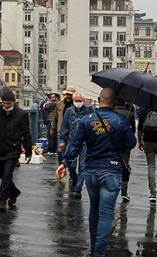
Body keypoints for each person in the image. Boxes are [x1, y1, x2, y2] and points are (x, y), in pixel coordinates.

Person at [55, 87, 136, 257]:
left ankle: (93, 247)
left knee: (94, 209)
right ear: (114, 102)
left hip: (91, 171)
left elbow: (75, 144)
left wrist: (64, 163)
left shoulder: (86, 120)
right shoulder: (121, 120)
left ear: (99, 101)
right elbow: (131, 144)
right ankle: (99, 253)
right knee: (106, 213)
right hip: (111, 171)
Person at [0, 87, 32, 212]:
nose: (6, 105)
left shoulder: (21, 114)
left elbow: (26, 134)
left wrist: (28, 152)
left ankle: (2, 200)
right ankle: (14, 192)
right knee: (1, 173)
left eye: (8, 103)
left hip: (13, 149)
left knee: (8, 174)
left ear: (13, 102)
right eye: (4, 103)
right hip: (0, 148)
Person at [58, 91, 93, 199]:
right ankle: (76, 180)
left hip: (84, 143)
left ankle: (78, 189)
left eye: (80, 101)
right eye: (76, 101)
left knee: (82, 166)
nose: (78, 103)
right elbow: (65, 126)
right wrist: (62, 140)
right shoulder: (69, 112)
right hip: (72, 142)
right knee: (71, 165)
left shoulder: (89, 111)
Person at [113, 98, 136, 203]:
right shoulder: (129, 114)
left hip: (112, 144)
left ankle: (112, 188)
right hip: (125, 145)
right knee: (125, 166)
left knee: (112, 166)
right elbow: (132, 131)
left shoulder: (112, 112)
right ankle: (124, 192)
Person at [137, 107, 157, 204]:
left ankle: (153, 193)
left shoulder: (144, 109)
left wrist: (140, 141)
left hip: (148, 141)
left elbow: (140, 127)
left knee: (151, 166)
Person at [51, 86, 75, 163]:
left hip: (72, 131)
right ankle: (61, 165)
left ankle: (70, 167)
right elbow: (55, 117)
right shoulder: (60, 104)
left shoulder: (75, 104)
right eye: (67, 94)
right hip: (61, 130)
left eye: (70, 95)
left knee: (71, 151)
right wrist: (52, 128)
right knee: (60, 151)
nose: (68, 96)